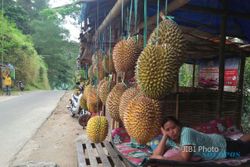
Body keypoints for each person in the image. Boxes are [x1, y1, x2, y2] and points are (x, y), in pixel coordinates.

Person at [151, 116, 250, 161]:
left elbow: (184, 157)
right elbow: (155, 155)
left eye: (173, 128)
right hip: (218, 140)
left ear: (179, 126)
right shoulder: (169, 138)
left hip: (222, 148)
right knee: (240, 142)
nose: (171, 132)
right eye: (167, 130)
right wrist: (164, 136)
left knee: (244, 148)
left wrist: (164, 160)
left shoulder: (186, 132)